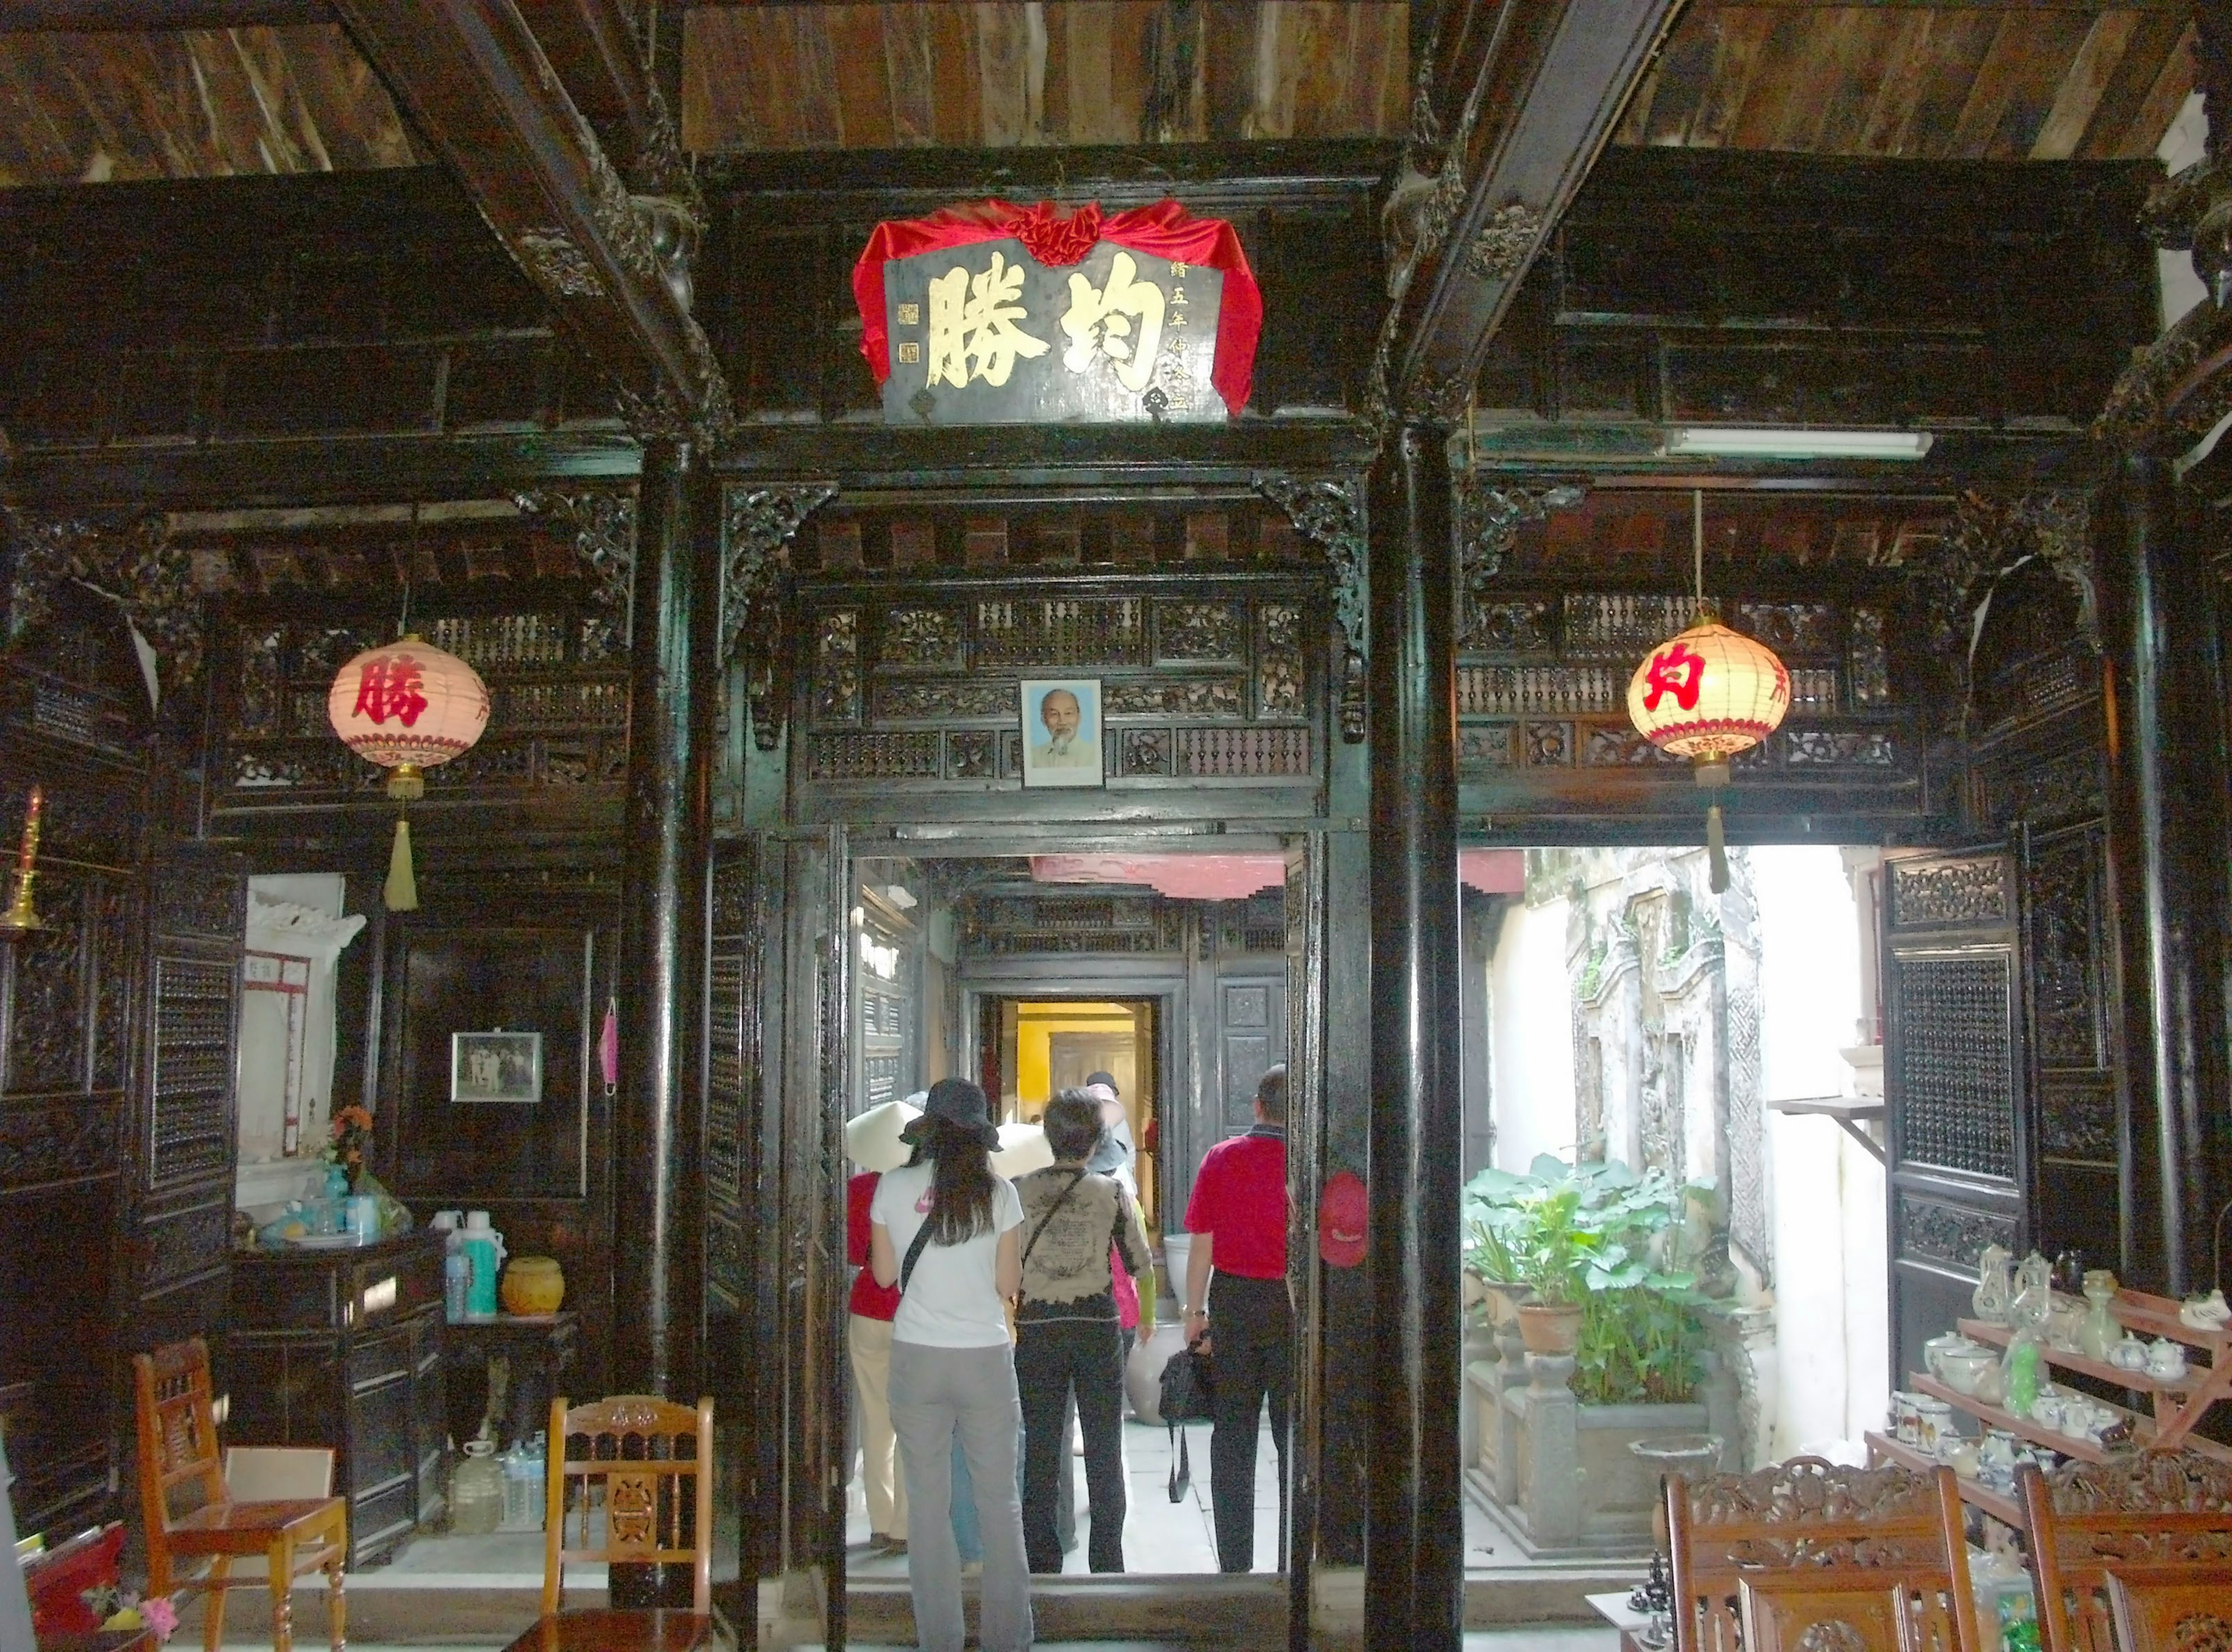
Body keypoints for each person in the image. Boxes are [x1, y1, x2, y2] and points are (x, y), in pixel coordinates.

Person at [870, 1078, 1034, 1652]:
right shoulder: (1002, 1194)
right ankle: (1006, 1640)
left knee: (927, 1503)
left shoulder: (892, 1186)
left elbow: (885, 1276)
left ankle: (939, 1638)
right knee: (998, 1502)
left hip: (917, 1358)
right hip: (985, 1359)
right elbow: (1008, 1284)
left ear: (929, 1131)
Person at [1012, 1090, 1153, 1573]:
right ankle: (1107, 1560)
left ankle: (1042, 1558)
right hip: (1096, 1326)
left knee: (1043, 1446)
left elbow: (1007, 1265)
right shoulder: (1110, 1192)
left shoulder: (1019, 1189)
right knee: (1103, 1443)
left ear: (1049, 1137)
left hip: (1038, 1326)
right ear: (1095, 1141)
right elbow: (1138, 1260)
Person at [1182, 1064, 1291, 1574]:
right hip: (1294, 1307)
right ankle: (1297, 1558)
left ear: (1257, 1106)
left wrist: (1194, 1312)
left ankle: (1234, 1564)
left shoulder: (1222, 1159)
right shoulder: (1308, 1164)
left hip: (1235, 1303)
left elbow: (1201, 1243)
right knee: (1294, 1436)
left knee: (1233, 1435)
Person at [845, 1093, 922, 1557]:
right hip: (912, 1311)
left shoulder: (858, 1191)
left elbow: (857, 1254)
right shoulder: (918, 1191)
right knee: (913, 1418)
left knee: (876, 1420)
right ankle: (905, 1524)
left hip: (867, 1309)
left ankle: (879, 1518)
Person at [1030, 688, 1097, 770]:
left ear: (1079, 717)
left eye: (1068, 713)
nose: (1062, 722)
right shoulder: (1033, 757)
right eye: (1054, 714)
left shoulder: (1094, 756)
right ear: (1044, 720)